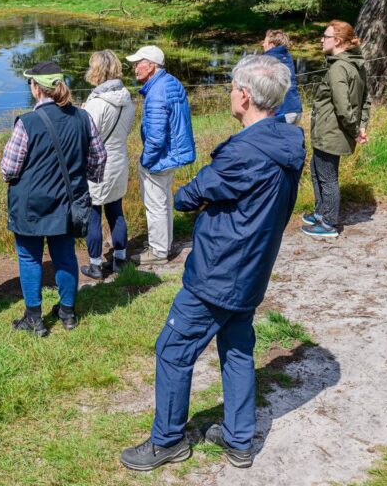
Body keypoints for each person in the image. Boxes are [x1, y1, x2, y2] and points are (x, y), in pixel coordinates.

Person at [120, 55, 305, 472]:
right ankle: (239, 439)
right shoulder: (287, 141)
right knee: (237, 347)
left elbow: (191, 194)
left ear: (244, 95)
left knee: (172, 349)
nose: (230, 94)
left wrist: (202, 196)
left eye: (232, 88)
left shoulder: (245, 152)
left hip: (219, 271)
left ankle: (167, 440)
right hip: (253, 267)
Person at [1, 61, 107, 336]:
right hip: (69, 203)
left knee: (29, 258)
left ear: (37, 88)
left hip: (30, 206)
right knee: (65, 256)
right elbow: (98, 158)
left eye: (30, 83)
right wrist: (87, 177)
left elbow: (9, 168)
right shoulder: (83, 117)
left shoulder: (27, 122)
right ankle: (68, 314)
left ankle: (34, 318)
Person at [126, 45, 196, 265]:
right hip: (172, 154)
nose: (135, 68)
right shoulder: (171, 82)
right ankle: (163, 245)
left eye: (139, 63)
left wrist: (145, 160)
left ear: (152, 65)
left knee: (155, 204)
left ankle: (157, 252)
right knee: (163, 202)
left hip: (160, 158)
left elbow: (156, 137)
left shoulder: (156, 93)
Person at [302, 20, 370, 238]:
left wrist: (354, 130)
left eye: (325, 36)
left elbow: (343, 107)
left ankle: (329, 223)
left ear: (338, 41)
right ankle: (321, 213)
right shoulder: (354, 64)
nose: (321, 40)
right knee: (316, 171)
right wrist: (361, 126)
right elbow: (366, 99)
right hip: (331, 131)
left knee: (327, 178)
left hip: (332, 133)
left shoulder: (339, 68)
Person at [79, 50, 135, 280]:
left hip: (98, 164)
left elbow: (86, 136)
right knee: (116, 211)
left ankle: (94, 264)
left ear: (97, 70)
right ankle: (120, 258)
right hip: (119, 159)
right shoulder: (126, 97)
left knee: (93, 214)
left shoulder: (97, 104)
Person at [261, 29, 303, 125]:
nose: (263, 44)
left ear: (271, 44)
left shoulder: (267, 60)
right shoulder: (287, 56)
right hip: (295, 108)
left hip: (282, 112)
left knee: (273, 139)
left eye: (265, 41)